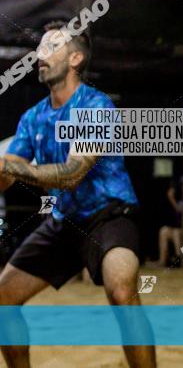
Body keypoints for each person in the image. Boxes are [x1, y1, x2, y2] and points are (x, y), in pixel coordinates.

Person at [0, 21, 155, 367]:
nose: (40, 55)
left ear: (75, 58)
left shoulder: (96, 107)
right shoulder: (32, 118)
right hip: (63, 222)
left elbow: (71, 174)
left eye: (50, 48)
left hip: (110, 216)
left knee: (121, 289)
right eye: (38, 49)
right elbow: (5, 177)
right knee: (2, 299)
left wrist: (8, 167)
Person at [156, 177, 182, 267]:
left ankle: (179, 261)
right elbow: (178, 211)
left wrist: (171, 197)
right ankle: (163, 261)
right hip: (181, 229)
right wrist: (172, 199)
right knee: (164, 231)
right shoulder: (178, 202)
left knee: (176, 233)